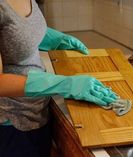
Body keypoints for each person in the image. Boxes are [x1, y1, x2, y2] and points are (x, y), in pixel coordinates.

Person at [0, 0, 118, 157]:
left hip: (38, 111)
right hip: (11, 123)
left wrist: (55, 39)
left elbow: (18, 32)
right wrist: (64, 84)